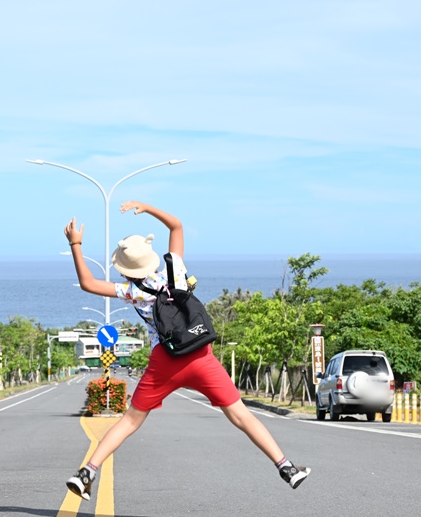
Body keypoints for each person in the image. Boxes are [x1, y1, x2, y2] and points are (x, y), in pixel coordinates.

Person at [63, 200, 311, 501]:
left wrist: (76, 244)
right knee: (240, 415)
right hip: (199, 354)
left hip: (163, 361)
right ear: (151, 257)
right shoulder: (174, 267)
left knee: (129, 421)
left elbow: (88, 283)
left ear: (126, 269)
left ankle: (87, 471)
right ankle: (286, 467)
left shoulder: (132, 291)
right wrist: (148, 208)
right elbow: (176, 225)